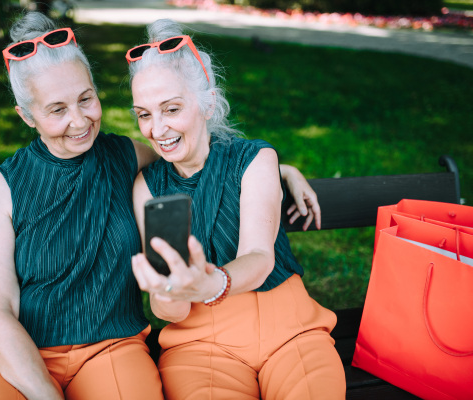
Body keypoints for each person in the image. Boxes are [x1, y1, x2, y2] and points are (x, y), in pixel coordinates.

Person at [0, 11, 321, 400]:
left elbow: (194, 156)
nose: (79, 121)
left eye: (86, 99)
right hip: (13, 355)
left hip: (111, 348)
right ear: (27, 116)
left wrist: (279, 169)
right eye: (57, 110)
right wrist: (46, 393)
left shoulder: (124, 156)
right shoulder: (2, 187)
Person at [128, 19, 345, 400]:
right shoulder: (149, 186)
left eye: (171, 109)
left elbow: (259, 257)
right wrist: (166, 292)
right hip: (201, 345)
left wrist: (213, 283)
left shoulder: (255, 159)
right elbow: (171, 311)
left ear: (208, 103)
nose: (157, 129)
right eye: (144, 114)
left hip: (290, 328)